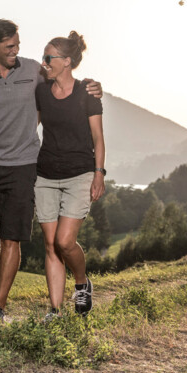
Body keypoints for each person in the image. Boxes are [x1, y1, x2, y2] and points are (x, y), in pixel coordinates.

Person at [0, 19, 101, 321]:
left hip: (24, 165)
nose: (16, 50)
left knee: (12, 238)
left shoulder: (32, 70)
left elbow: (66, 78)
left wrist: (94, 86)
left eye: (17, 44)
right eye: (9, 46)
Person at [35, 31, 105, 320]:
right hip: (45, 175)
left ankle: (82, 283)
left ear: (66, 61)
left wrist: (99, 174)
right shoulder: (41, 91)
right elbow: (30, 127)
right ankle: (55, 309)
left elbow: (98, 138)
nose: (44, 62)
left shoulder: (87, 93)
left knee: (65, 241)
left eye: (48, 57)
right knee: (50, 245)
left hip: (79, 174)